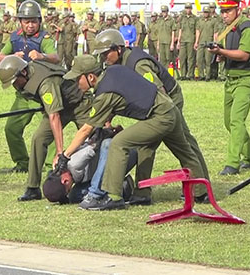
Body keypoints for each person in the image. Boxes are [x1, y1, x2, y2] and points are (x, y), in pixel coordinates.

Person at [58, 55, 206, 210]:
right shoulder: (112, 72)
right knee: (178, 152)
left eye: (77, 80)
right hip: (169, 109)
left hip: (159, 117)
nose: (76, 84)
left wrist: (65, 155)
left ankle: (114, 197)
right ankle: (198, 192)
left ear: (90, 77)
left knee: (118, 143)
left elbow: (85, 129)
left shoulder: (104, 93)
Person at [91, 29, 211, 204]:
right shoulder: (122, 62)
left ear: (118, 49)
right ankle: (143, 192)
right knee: (146, 146)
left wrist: (159, 119)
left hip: (168, 102)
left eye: (105, 54)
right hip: (154, 107)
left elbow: (158, 91)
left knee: (183, 143)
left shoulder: (137, 64)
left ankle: (201, 189)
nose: (103, 58)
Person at [0, 55, 93, 201]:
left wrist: (61, 153)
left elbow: (54, 117)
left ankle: (98, 184)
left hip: (79, 104)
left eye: (15, 82)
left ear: (23, 72)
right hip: (60, 107)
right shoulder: (29, 75)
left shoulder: (44, 83)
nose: (15, 86)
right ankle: (33, 187)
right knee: (38, 139)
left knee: (96, 138)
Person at [0, 0, 59, 172]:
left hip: (41, 89)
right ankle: (22, 163)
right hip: (23, 93)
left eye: (33, 21)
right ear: (20, 22)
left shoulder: (44, 38)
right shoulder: (14, 37)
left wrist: (42, 55)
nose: (30, 25)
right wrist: (11, 57)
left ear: (39, 21)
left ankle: (51, 164)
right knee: (11, 128)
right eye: (26, 21)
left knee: (50, 128)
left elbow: (56, 57)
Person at [206, 0, 250, 175]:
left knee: (236, 120)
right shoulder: (229, 29)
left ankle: (232, 163)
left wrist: (221, 51)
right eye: (222, 11)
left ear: (238, 10)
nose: (224, 15)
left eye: (228, 11)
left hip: (247, 80)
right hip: (231, 80)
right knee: (229, 122)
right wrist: (222, 55)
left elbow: (244, 55)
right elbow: (233, 53)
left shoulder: (247, 28)